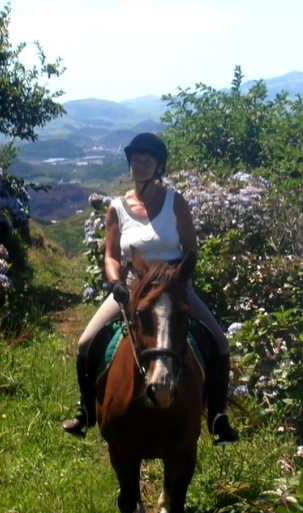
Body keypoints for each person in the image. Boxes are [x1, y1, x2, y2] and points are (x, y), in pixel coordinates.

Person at [61, 133, 238, 445]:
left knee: (220, 343)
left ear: (158, 167)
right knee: (86, 342)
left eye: (147, 161)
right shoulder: (116, 207)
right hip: (132, 287)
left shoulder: (175, 202)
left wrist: (179, 280)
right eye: (136, 161)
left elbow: (190, 249)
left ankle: (217, 416)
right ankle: (86, 408)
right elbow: (111, 255)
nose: (140, 165)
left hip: (172, 287)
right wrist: (115, 282)